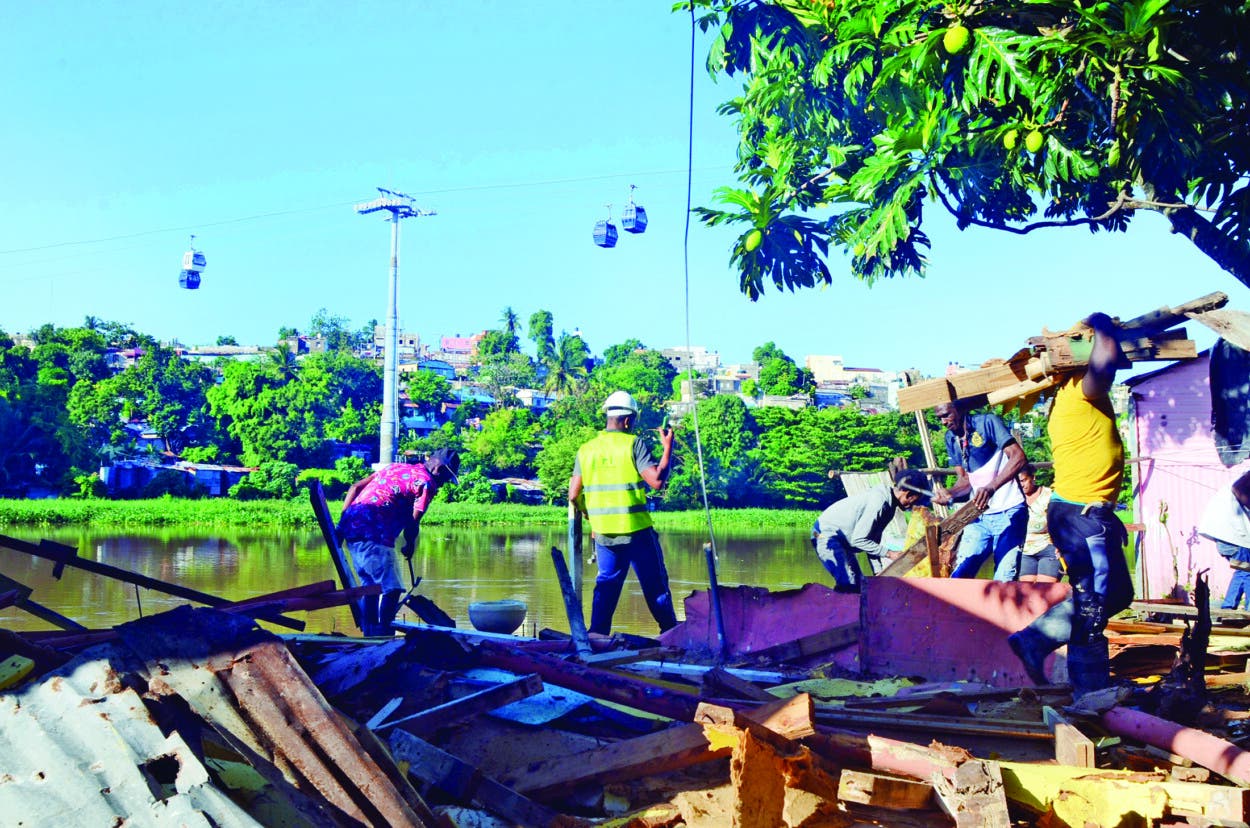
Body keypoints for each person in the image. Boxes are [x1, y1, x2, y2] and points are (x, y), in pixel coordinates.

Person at [1008, 312, 1134, 698]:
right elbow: (1107, 361)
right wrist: (1100, 320)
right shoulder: (1079, 389)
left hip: (1086, 513)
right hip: (1080, 515)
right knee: (1093, 603)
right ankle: (1090, 693)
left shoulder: (1070, 394)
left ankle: (1033, 640)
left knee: (1117, 594)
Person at [569, 390, 678, 635]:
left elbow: (573, 495)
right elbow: (656, 481)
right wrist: (667, 448)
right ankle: (672, 636)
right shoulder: (633, 443)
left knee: (606, 586)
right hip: (637, 532)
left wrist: (590, 515)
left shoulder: (586, 450)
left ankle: (596, 638)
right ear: (628, 420)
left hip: (604, 534)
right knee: (655, 586)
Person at [337, 448, 460, 636]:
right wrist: (409, 545)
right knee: (392, 589)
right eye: (445, 479)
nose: (443, 484)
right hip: (375, 533)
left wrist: (341, 524)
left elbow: (355, 487)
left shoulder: (395, 467)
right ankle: (384, 635)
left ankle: (371, 634)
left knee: (372, 587)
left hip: (352, 531)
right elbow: (413, 522)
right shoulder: (426, 483)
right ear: (439, 470)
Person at [931, 400, 1028, 581]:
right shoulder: (951, 438)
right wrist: (950, 493)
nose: (943, 422)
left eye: (946, 415)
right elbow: (965, 480)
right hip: (978, 516)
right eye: (939, 418)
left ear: (959, 409)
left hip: (1010, 510)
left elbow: (1018, 457)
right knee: (960, 576)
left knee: (1004, 578)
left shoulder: (987, 423)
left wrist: (991, 487)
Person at [811, 469, 930, 592]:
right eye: (915, 500)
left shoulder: (890, 507)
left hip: (842, 540)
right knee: (849, 583)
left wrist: (878, 572)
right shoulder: (879, 502)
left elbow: (872, 543)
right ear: (908, 494)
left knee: (859, 585)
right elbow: (859, 540)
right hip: (824, 535)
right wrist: (890, 553)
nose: (914, 505)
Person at [1198, 469, 1250, 611]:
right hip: (1234, 537)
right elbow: (1237, 489)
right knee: (1246, 571)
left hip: (1228, 537)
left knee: (1242, 571)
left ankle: (1228, 608)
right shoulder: (1241, 483)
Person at [1018, 463, 1062, 584]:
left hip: (1048, 546)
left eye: (1024, 480)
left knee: (1045, 588)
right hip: (1025, 550)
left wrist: (1061, 545)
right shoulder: (1015, 498)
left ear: (1033, 478)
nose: (1021, 485)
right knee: (1025, 589)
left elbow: (1061, 521)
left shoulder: (1049, 495)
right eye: (1018, 482)